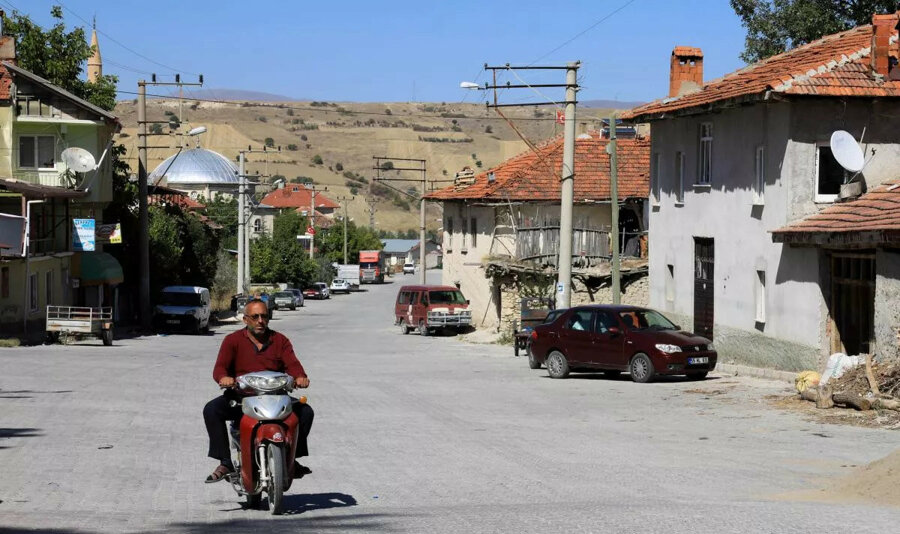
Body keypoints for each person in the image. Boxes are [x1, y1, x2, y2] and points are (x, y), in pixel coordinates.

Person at [202, 298, 314, 483]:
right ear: (246, 320)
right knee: (211, 410)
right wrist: (224, 378)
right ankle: (225, 461)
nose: (260, 321)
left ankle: (291, 458)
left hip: (275, 397)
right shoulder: (233, 340)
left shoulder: (280, 340)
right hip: (242, 398)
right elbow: (220, 367)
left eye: (264, 316)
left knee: (305, 412)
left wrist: (300, 377)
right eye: (255, 317)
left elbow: (293, 364)